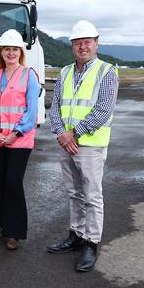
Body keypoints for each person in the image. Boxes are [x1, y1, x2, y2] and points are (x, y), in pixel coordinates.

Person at [47, 20, 119, 272]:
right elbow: (55, 105)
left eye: (87, 42)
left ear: (96, 43)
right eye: (78, 43)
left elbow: (103, 110)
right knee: (73, 192)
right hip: (66, 144)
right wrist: (60, 133)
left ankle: (91, 242)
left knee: (92, 195)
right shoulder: (65, 72)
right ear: (72, 46)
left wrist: (73, 133)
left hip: (89, 145)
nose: (82, 46)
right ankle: (76, 235)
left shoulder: (106, 71)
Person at [0, 30, 39, 250]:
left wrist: (15, 133)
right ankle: (3, 225)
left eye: (14, 49)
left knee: (13, 183)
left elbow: (31, 111)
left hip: (19, 140)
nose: (10, 53)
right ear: (1, 52)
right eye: (7, 49)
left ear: (20, 52)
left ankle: (15, 232)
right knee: (0, 182)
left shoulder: (29, 75)